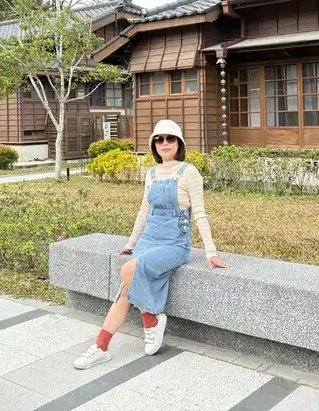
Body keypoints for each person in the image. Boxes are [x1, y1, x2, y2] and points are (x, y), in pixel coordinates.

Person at [73, 119, 230, 370]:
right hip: (149, 239)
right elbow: (143, 212)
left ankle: (150, 319)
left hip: (174, 244)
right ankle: (101, 346)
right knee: (125, 291)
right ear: (153, 145)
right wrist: (130, 243)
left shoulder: (189, 172)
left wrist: (210, 252)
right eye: (159, 139)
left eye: (170, 139)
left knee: (127, 273)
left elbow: (200, 213)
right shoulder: (151, 173)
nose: (164, 143)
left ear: (179, 143)